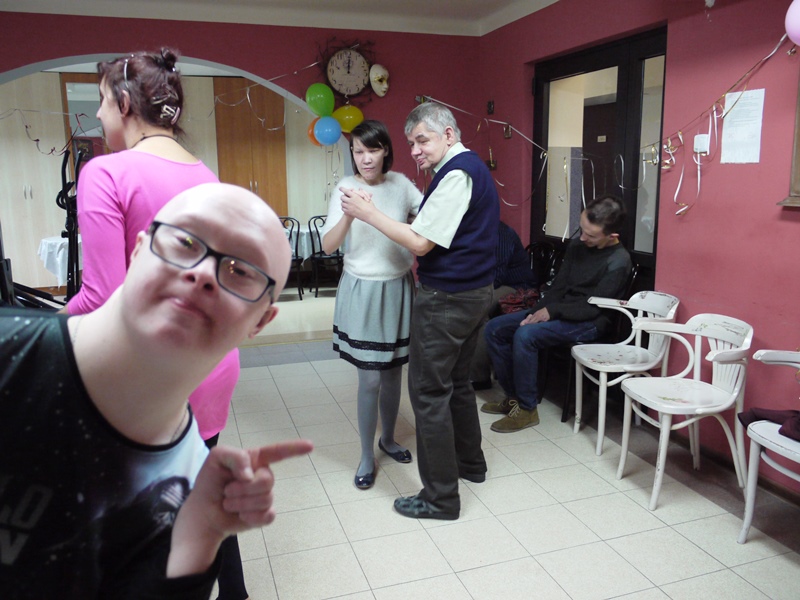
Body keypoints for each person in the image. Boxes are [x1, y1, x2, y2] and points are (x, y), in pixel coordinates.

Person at [0, 182, 313, 599]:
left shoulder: (186, 488)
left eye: (240, 271)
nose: (203, 273)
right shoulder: (11, 350)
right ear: (137, 251)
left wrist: (200, 540)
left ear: (261, 321)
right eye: (185, 242)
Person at [63, 48, 249, 599]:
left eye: (102, 101)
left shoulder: (106, 172)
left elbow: (102, 296)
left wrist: (40, 327)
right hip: (212, 361)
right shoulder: (205, 173)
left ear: (124, 104)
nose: (99, 115)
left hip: (151, 375)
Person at [341, 102, 499, 521]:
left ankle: (440, 499)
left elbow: (420, 243)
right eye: (411, 142)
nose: (414, 150)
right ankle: (470, 464)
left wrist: (369, 213)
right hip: (474, 293)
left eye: (422, 140)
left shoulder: (457, 174)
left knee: (429, 393)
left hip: (448, 298)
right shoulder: (466, 169)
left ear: (448, 134)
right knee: (458, 383)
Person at [321, 120, 422, 490]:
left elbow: (428, 218)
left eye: (373, 150)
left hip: (398, 287)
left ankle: (388, 439)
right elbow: (328, 246)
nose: (365, 158)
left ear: (386, 151)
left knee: (394, 373)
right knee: (370, 378)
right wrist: (351, 213)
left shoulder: (401, 185)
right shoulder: (345, 189)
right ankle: (366, 453)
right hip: (362, 289)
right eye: (358, 151)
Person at [483, 194, 632, 433]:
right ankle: (513, 398)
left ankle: (527, 409)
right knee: (495, 328)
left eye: (591, 235)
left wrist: (551, 312)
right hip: (562, 311)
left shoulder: (619, 261)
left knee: (526, 335)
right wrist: (536, 312)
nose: (582, 238)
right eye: (581, 229)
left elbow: (593, 307)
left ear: (612, 235)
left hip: (591, 321)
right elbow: (559, 287)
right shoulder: (578, 246)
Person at [470, 220, 539, 390]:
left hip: (516, 287)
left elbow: (496, 277)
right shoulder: (477, 229)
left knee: (476, 310)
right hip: (493, 284)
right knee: (466, 304)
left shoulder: (501, 233)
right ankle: (464, 368)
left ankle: (478, 377)